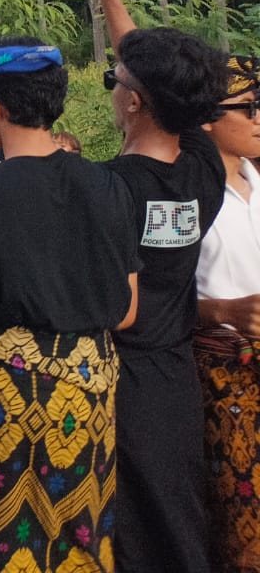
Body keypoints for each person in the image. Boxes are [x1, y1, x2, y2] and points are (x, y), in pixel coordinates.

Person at [0, 37, 141, 572]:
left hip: (10, 397)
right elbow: (125, 312)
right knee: (81, 529)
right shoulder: (109, 184)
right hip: (90, 396)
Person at [84, 0, 228, 573]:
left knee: (128, 530)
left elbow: (114, 307)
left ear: (135, 103)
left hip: (118, 378)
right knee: (178, 514)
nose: (112, 88)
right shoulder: (204, 164)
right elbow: (151, 65)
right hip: (176, 375)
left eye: (116, 82)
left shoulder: (107, 188)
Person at [194, 55, 260, 572]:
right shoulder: (185, 196)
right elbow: (148, 296)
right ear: (207, 118)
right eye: (249, 108)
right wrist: (222, 310)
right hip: (222, 379)